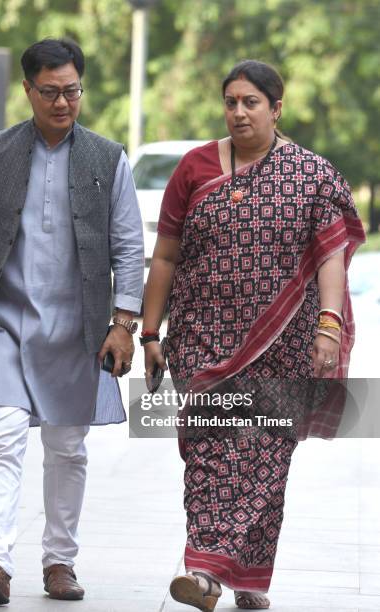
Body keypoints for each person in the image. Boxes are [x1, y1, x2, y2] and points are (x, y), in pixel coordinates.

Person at [0, 38, 143, 606]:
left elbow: (129, 244)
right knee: (2, 438)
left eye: (71, 91)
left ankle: (60, 562)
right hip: (4, 326)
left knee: (67, 449)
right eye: (50, 92)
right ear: (28, 90)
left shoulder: (107, 158)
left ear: (81, 89)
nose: (62, 102)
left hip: (77, 331)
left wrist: (124, 321)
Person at [142, 60, 365, 611]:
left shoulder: (311, 174)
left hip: (284, 342)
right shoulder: (193, 168)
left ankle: (225, 575)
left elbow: (330, 257)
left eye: (251, 102)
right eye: (231, 102)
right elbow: (166, 255)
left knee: (265, 455)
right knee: (210, 457)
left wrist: (329, 326)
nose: (239, 112)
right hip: (200, 339)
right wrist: (150, 331)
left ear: (277, 108)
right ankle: (215, 570)